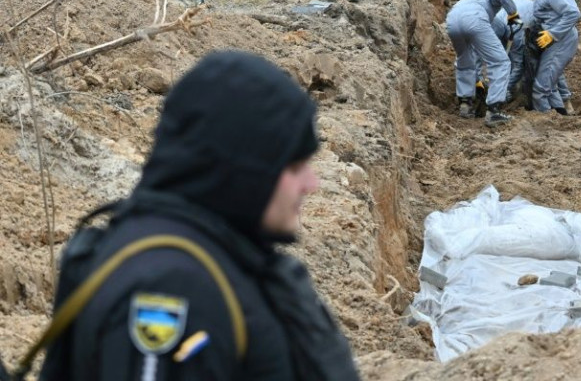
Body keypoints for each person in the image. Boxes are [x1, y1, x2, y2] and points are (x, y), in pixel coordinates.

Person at [39, 50, 360, 381]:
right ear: (243, 170)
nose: (312, 184)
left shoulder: (224, 256)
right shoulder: (168, 287)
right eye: (294, 167)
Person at [446, 0, 522, 127]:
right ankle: (494, 111)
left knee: (464, 59)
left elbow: (475, 52)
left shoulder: (474, 0)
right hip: (472, 19)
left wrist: (478, 80)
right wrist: (513, 13)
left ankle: (465, 103)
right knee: (501, 62)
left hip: (452, 21)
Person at [512, 0, 581, 115]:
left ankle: (546, 121)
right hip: (555, 38)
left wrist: (552, 34)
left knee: (540, 88)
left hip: (562, 39)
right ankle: (561, 113)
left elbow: (573, 13)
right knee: (549, 80)